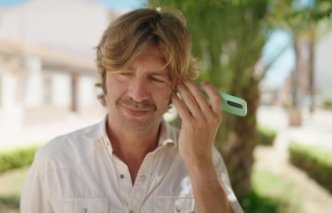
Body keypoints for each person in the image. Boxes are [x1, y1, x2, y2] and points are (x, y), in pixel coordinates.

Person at [20, 7, 243, 213]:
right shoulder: (55, 160)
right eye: (125, 73)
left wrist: (199, 164)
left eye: (155, 78)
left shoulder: (207, 160)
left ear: (177, 88)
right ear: (104, 76)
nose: (137, 94)